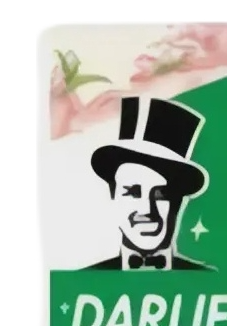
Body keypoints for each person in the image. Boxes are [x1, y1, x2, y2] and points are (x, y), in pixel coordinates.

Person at [85, 96, 212, 271]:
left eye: (161, 195)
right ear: (113, 195)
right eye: (132, 192)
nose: (147, 210)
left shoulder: (204, 278)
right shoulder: (87, 279)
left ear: (179, 200)